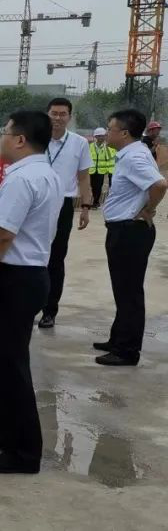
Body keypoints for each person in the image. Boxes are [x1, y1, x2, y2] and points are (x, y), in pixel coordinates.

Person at [0, 110, 63, 475]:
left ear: (20, 139)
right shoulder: (44, 173)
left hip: (12, 278)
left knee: (10, 365)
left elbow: (3, 235)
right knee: (3, 362)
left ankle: (23, 452)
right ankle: (8, 431)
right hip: (25, 275)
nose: (1, 139)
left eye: (5, 133)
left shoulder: (23, 179)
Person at [95, 109, 167, 366]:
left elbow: (160, 184)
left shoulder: (134, 157)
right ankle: (118, 339)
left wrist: (148, 209)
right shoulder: (132, 153)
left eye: (110, 129)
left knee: (129, 292)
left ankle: (126, 351)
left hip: (130, 231)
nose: (106, 133)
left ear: (124, 133)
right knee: (123, 289)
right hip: (124, 230)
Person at [39, 98, 94, 329]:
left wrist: (86, 206)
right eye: (54, 113)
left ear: (69, 117)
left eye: (63, 114)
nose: (58, 118)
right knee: (31, 255)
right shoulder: (36, 138)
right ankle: (29, 305)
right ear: (47, 114)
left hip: (62, 204)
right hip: (35, 203)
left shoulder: (79, 143)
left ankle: (49, 311)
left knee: (55, 258)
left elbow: (83, 176)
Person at [89, 127, 116, 209]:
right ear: (95, 137)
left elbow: (112, 158)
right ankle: (95, 201)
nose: (101, 137)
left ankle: (96, 202)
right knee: (94, 186)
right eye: (99, 136)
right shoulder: (90, 146)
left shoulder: (108, 147)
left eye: (103, 136)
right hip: (92, 170)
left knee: (100, 186)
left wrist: (110, 170)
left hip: (103, 170)